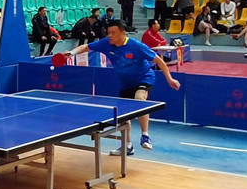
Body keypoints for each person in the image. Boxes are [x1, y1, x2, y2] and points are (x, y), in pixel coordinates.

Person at [67, 21, 180, 154]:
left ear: (123, 32)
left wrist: (169, 79)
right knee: (122, 116)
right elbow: (86, 47)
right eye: (108, 33)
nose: (110, 35)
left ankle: (145, 135)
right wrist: (72, 52)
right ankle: (127, 146)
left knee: (139, 98)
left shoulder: (136, 46)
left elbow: (159, 61)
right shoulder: (106, 43)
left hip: (144, 77)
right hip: (126, 83)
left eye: (113, 33)